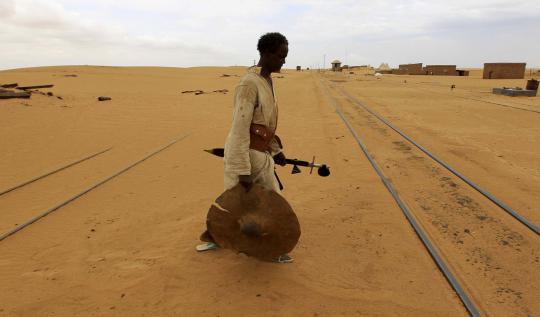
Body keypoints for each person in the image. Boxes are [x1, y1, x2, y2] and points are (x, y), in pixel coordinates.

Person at [198, 32, 292, 263]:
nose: (284, 61)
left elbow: (262, 125)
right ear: (267, 53)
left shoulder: (266, 80)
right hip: (243, 156)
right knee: (240, 205)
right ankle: (228, 239)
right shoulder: (249, 84)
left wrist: (277, 151)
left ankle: (261, 246)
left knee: (267, 202)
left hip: (261, 155)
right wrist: (242, 171)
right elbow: (240, 128)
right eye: (281, 56)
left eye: (285, 56)